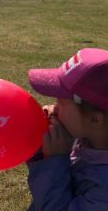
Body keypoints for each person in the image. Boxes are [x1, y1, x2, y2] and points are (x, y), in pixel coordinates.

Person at [27, 48, 108, 210]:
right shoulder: (85, 138)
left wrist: (55, 161)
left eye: (62, 104)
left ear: (95, 119)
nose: (55, 109)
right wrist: (42, 146)